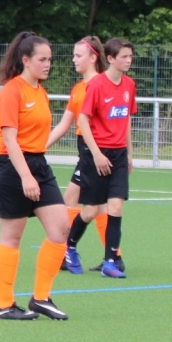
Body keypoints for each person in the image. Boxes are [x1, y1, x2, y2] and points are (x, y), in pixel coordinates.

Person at [0, 31, 72, 320]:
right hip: (10, 167)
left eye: (50, 59)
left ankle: (41, 298)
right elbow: (9, 140)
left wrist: (35, 170)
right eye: (42, 59)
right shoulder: (12, 91)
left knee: (60, 229)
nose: (48, 64)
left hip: (38, 164)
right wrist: (26, 176)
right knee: (12, 236)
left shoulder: (40, 91)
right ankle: (5, 305)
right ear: (25, 60)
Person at [68, 37, 137, 279]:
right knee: (90, 211)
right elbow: (83, 119)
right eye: (124, 56)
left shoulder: (129, 85)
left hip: (118, 155)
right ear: (110, 58)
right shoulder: (96, 85)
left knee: (116, 207)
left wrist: (129, 153)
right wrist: (96, 154)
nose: (128, 60)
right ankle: (69, 246)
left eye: (130, 56)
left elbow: (126, 119)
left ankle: (110, 262)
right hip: (96, 154)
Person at [52, 36, 103, 274]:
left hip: (95, 150)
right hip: (84, 148)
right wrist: (38, 147)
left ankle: (67, 251)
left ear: (93, 58)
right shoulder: (78, 89)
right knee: (97, 205)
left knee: (73, 199)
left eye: (78, 55)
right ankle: (113, 256)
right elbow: (64, 124)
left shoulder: (102, 86)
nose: (74, 59)